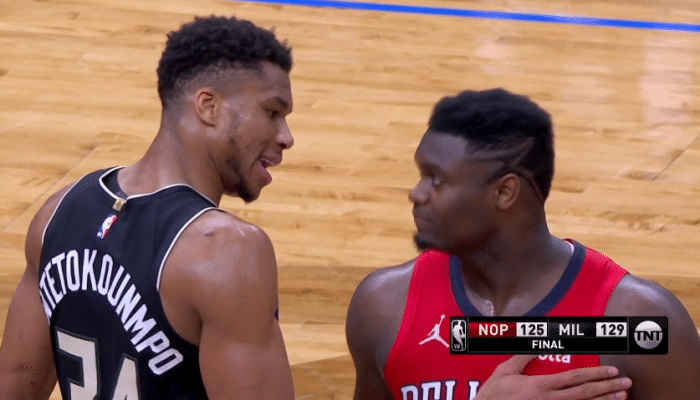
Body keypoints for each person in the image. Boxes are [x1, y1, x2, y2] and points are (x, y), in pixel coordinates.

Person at [0, 15, 296, 399]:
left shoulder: (58, 211)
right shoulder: (226, 251)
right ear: (208, 106)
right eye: (272, 112)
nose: (286, 137)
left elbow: (15, 384)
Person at [346, 88, 700, 400]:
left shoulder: (639, 324)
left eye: (436, 179)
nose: (416, 193)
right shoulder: (383, 306)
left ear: (505, 191)